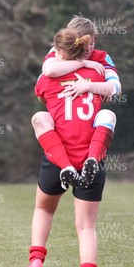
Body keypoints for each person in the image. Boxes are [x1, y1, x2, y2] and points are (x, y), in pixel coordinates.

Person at [22, 28, 117, 267]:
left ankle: (36, 260)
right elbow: (111, 91)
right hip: (90, 155)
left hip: (58, 155)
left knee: (43, 209)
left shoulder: (48, 76)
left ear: (60, 52)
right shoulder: (98, 73)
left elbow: (42, 94)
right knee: (86, 227)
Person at [32, 15, 121, 188]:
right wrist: (83, 64)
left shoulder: (101, 57)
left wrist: (88, 86)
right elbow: (49, 70)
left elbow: (115, 87)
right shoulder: (57, 52)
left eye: (92, 42)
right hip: (66, 130)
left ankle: (88, 162)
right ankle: (78, 164)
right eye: (84, 43)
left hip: (83, 131)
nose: (89, 48)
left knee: (44, 209)